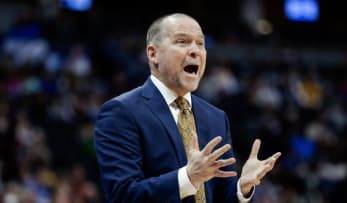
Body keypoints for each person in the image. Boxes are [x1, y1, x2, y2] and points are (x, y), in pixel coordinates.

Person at [94, 13, 281, 203]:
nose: (195, 51)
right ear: (153, 54)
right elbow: (122, 195)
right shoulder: (121, 112)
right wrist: (188, 178)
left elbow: (222, 195)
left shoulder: (215, 117)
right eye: (182, 41)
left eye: (200, 43)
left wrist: (242, 189)